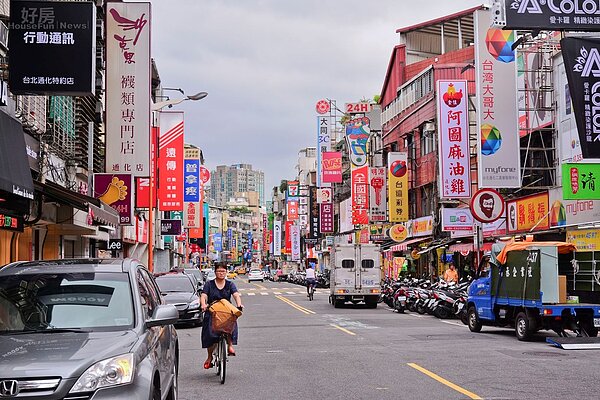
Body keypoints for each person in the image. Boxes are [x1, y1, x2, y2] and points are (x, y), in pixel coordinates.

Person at [200, 262, 244, 370]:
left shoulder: (230, 284)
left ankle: (230, 346)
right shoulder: (209, 284)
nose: (221, 273)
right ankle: (210, 357)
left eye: (223, 271)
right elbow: (203, 296)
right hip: (212, 311)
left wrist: (239, 304)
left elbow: (236, 295)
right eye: (219, 271)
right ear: (215, 272)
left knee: (231, 322)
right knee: (209, 334)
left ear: (226, 272)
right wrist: (203, 304)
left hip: (225, 311)